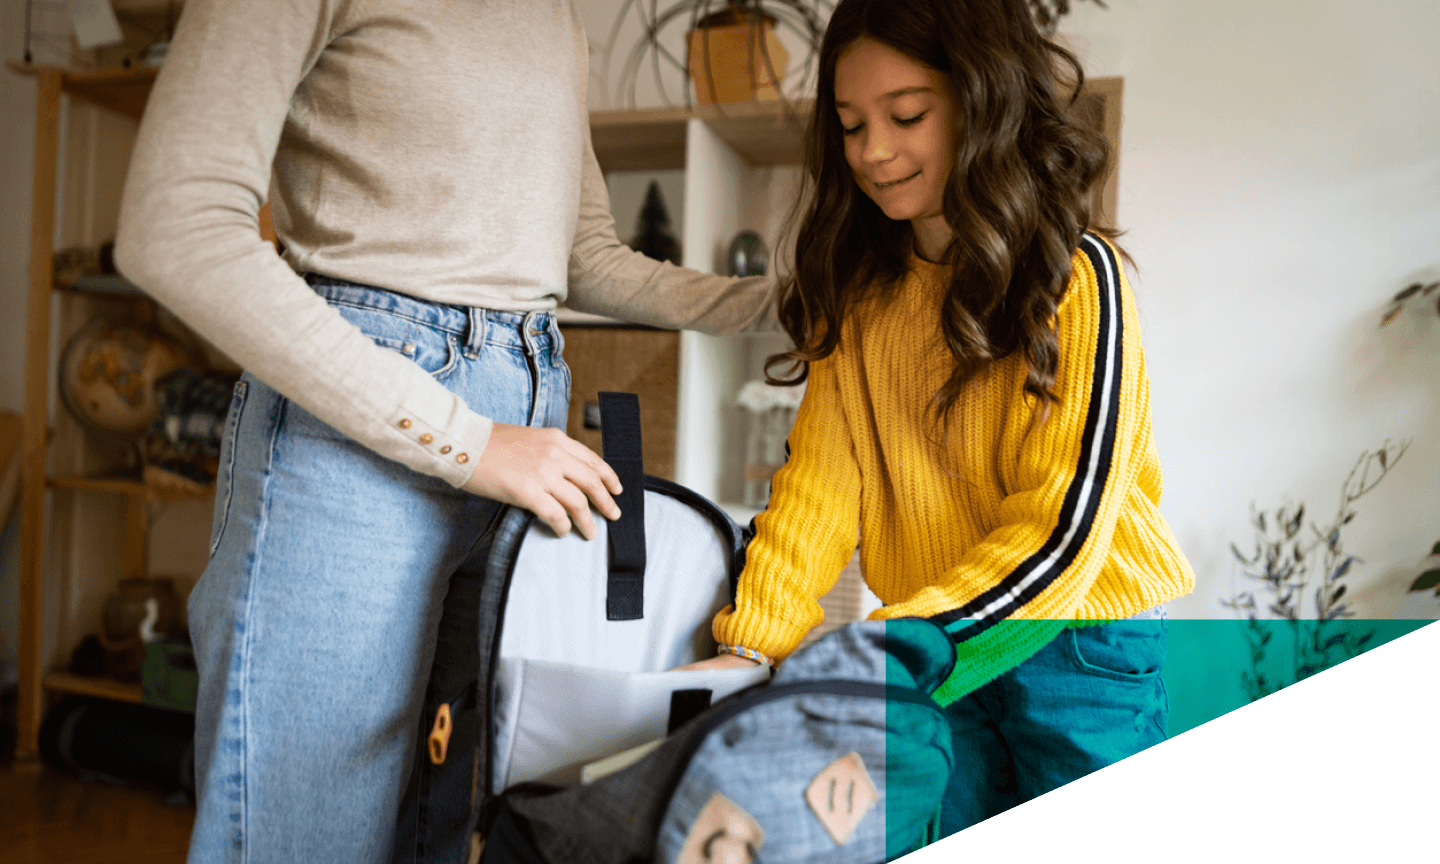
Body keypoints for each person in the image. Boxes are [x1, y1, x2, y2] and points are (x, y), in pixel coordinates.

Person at [113, 0, 779, 861]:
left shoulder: (556, 16)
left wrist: (780, 305)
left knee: (448, 822)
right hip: (358, 436)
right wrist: (471, 442)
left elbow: (584, 262)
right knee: (309, 838)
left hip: (527, 422)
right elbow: (177, 226)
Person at [683, 0, 1195, 845]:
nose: (873, 152)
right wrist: (750, 647)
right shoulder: (861, 303)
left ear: (982, 101)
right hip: (938, 652)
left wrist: (896, 648)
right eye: (850, 126)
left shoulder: (1078, 280)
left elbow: (1063, 532)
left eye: (907, 115)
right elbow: (817, 490)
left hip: (1078, 647)